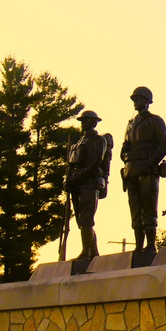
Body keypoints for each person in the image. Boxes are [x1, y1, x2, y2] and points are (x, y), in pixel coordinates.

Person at [120, 86, 166, 252]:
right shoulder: (130, 124)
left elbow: (164, 145)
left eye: (140, 99)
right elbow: (125, 147)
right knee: (135, 209)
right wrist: (126, 156)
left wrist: (149, 164)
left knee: (148, 208)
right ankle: (139, 245)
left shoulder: (155, 120)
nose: (137, 102)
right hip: (131, 170)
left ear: (148, 102)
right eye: (135, 99)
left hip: (147, 171)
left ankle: (150, 244)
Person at [66, 110, 109, 260]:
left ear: (94, 122)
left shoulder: (99, 140)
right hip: (77, 184)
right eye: (82, 120)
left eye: (87, 120)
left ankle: (86, 252)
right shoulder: (79, 142)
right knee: (81, 221)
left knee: (86, 219)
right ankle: (92, 252)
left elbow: (95, 162)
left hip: (90, 183)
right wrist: (69, 180)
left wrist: (76, 177)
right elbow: (72, 165)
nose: (83, 123)